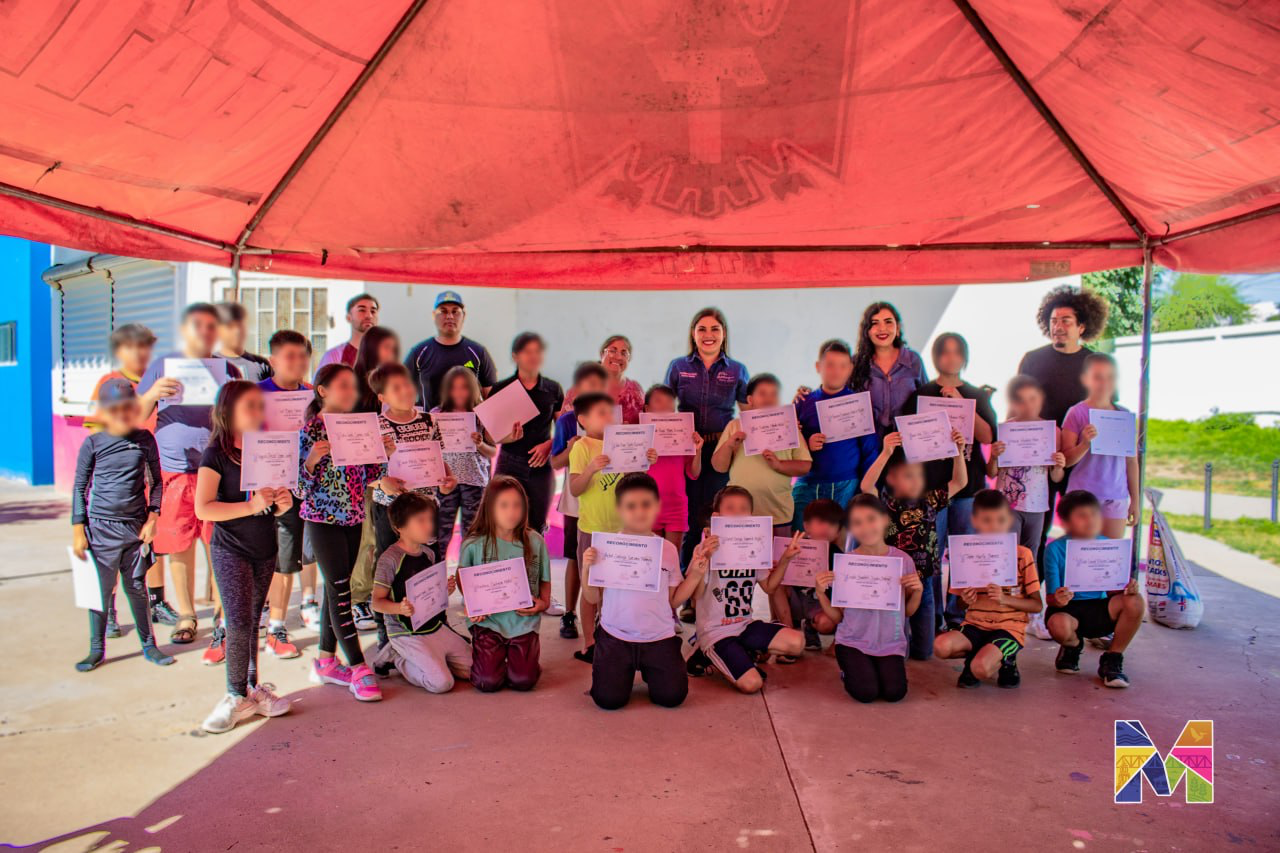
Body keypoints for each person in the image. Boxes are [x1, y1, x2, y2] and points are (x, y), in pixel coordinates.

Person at [137, 304, 242, 650]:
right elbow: (134, 417)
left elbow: (243, 417)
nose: (206, 332)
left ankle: (220, 612)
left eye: (212, 326)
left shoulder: (228, 370)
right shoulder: (163, 367)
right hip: (175, 472)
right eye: (198, 325)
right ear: (185, 330)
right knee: (179, 545)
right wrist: (153, 395)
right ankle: (186, 614)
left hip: (219, 470)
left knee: (218, 545)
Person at [195, 381, 292, 732]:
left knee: (252, 620)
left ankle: (251, 688)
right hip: (229, 549)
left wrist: (283, 504)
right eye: (249, 405)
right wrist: (251, 505)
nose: (257, 411)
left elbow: (279, 503)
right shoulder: (216, 455)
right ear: (227, 410)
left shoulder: (266, 448)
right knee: (235, 622)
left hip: (265, 548)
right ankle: (234, 696)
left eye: (259, 405)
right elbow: (203, 508)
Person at [298, 363, 395, 702]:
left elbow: (369, 475)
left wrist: (384, 454)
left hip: (354, 518)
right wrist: (311, 460)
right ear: (322, 390)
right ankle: (358, 666)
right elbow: (297, 486)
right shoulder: (310, 430)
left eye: (352, 387)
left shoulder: (357, 426)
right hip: (322, 520)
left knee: (335, 588)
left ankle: (325, 661)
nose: (350, 392)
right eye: (342, 386)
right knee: (341, 591)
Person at [70, 378, 174, 671]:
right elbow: (80, 488)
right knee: (100, 592)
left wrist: (153, 519)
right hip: (100, 529)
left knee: (137, 589)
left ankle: (149, 645)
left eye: (128, 407)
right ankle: (96, 649)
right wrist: (79, 529)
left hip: (136, 529)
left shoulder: (144, 440)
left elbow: (156, 483)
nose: (122, 414)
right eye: (114, 409)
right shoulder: (92, 443)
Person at [85, 323, 179, 630]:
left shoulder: (162, 379)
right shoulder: (109, 382)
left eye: (145, 346)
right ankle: (108, 609)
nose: (140, 353)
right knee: (110, 552)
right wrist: (149, 395)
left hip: (153, 474)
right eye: (133, 347)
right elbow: (102, 430)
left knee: (153, 541)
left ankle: (157, 601)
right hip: (117, 486)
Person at [580, 473, 700, 710]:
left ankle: (650, 668)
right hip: (616, 635)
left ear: (657, 506)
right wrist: (586, 569)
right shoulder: (606, 547)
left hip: (658, 636)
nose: (639, 512)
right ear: (619, 509)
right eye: (631, 506)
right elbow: (593, 597)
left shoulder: (667, 549)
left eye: (646, 504)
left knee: (672, 697)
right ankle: (621, 667)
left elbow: (673, 600)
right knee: (607, 700)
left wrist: (696, 573)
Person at [904, 332, 997, 630]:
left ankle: (958, 616)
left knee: (964, 555)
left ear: (964, 357)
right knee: (931, 555)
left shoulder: (976, 394)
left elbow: (988, 437)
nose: (951, 358)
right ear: (936, 357)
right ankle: (934, 617)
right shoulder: (922, 394)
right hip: (932, 488)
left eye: (957, 352)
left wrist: (961, 405)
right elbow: (907, 435)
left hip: (968, 488)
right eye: (944, 352)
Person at [365, 362, 458, 646]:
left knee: (430, 566)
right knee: (391, 569)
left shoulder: (430, 420)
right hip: (390, 509)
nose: (405, 391)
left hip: (426, 507)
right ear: (382, 397)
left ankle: (435, 624)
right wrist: (382, 483)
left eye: (406, 384)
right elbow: (364, 471)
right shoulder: (375, 426)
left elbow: (439, 458)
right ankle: (388, 634)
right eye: (396, 388)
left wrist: (448, 478)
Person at [859, 427, 967, 660]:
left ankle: (921, 649)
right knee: (893, 612)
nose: (915, 479)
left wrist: (959, 452)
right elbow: (866, 486)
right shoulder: (886, 503)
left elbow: (960, 481)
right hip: (892, 573)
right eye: (907, 475)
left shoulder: (930, 500)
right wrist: (886, 452)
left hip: (923, 572)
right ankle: (893, 647)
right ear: (892, 479)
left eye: (917, 475)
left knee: (925, 612)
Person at [1017, 285, 1109, 556]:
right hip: (1040, 457)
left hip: (1083, 458)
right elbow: (1019, 405)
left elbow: (1107, 410)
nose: (1058, 326)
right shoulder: (1033, 360)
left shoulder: (1095, 363)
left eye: (1066, 321)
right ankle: (1036, 588)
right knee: (1037, 527)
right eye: (1054, 320)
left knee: (1081, 528)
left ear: (1082, 326)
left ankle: (1075, 591)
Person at [688, 486, 805, 692]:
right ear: (717, 516)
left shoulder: (753, 548)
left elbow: (769, 587)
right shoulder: (705, 548)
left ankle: (743, 652)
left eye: (743, 509)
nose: (737, 513)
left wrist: (786, 559)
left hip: (744, 625)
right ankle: (703, 652)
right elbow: (695, 597)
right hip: (715, 632)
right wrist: (705, 558)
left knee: (797, 642)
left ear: (751, 515)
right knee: (752, 684)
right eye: (730, 508)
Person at [569, 391, 658, 662]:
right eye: (601, 413)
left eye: (610, 412)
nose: (609, 417)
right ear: (583, 420)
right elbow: (574, 488)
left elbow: (636, 480)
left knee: (615, 587)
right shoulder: (581, 447)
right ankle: (589, 641)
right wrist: (590, 469)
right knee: (590, 588)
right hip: (593, 530)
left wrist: (648, 461)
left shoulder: (622, 443)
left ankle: (610, 636)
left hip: (623, 531)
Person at [663, 308, 749, 574]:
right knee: (687, 518)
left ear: (724, 334)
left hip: (721, 451)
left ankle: (710, 587)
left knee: (714, 517)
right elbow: (663, 406)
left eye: (715, 329)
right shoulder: (678, 366)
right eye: (702, 329)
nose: (708, 335)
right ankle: (686, 590)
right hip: (686, 450)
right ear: (693, 333)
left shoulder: (737, 370)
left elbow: (749, 412)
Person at [813, 495, 920, 703]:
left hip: (889, 643)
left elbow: (907, 611)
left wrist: (917, 591)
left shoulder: (903, 561)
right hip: (853, 641)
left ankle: (872, 667)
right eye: (857, 522)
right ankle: (848, 669)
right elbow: (838, 617)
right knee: (866, 693)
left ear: (885, 519)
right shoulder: (846, 563)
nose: (866, 527)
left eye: (871, 519)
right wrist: (820, 593)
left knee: (894, 693)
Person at [934, 489, 1042, 689]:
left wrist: (1005, 599)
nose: (994, 526)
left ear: (1009, 520)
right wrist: (966, 598)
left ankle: (1007, 660)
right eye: (986, 520)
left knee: (980, 669)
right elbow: (959, 603)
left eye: (1000, 520)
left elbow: (1037, 605)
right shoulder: (966, 553)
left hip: (1009, 628)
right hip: (975, 625)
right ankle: (979, 654)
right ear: (974, 521)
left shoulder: (1022, 555)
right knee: (940, 647)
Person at [369, 493, 473, 694]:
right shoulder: (389, 559)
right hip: (406, 632)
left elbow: (428, 595)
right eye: (420, 521)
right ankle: (397, 658)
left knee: (474, 671)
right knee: (442, 683)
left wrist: (445, 591)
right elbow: (376, 602)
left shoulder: (429, 553)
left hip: (433, 626)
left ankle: (431, 658)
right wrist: (399, 608)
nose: (429, 526)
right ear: (400, 527)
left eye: (429, 520)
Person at [457, 476, 552, 693]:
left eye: (517, 505)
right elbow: (464, 581)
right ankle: (488, 654)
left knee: (523, 681)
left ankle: (522, 659)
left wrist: (543, 604)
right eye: (504, 505)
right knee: (486, 682)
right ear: (490, 508)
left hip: (523, 622)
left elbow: (545, 581)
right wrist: (472, 606)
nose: (511, 512)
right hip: (488, 622)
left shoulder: (535, 541)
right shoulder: (472, 544)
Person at [1044, 490, 1144, 688]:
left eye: (1093, 514)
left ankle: (1113, 659)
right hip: (1069, 610)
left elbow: (1115, 590)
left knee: (1136, 601)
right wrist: (1058, 598)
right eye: (1081, 516)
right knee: (1058, 625)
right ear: (1065, 521)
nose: (1089, 520)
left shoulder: (1110, 546)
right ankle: (1072, 646)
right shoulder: (1055, 549)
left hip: (1100, 607)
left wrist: (1128, 588)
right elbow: (1050, 598)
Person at [259, 329, 319, 651]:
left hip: (303, 486)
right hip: (263, 489)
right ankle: (245, 623)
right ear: (273, 361)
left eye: (303, 356)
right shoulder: (255, 394)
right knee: (263, 558)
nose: (297, 362)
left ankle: (277, 627)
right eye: (289, 356)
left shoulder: (313, 396)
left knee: (290, 558)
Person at [550, 362, 610, 640]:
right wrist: (574, 448)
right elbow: (555, 461)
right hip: (578, 504)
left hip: (606, 505)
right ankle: (570, 614)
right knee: (577, 557)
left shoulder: (613, 422)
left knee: (605, 561)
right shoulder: (566, 420)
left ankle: (606, 621)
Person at [711, 372, 811, 538]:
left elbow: (805, 466)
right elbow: (719, 467)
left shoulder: (789, 426)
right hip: (739, 513)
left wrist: (779, 465)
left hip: (778, 512)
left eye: (774, 394)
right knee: (741, 558)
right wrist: (730, 445)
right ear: (750, 400)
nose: (769, 399)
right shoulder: (735, 426)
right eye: (762, 394)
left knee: (776, 561)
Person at [793, 338, 880, 527]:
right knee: (801, 541)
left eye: (842, 366)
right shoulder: (803, 401)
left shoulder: (859, 404)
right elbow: (789, 445)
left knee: (841, 542)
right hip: (808, 483)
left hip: (846, 484)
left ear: (850, 369)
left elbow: (869, 450)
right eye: (830, 365)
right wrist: (806, 445)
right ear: (818, 367)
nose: (836, 371)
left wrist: (867, 489)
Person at [1060, 353, 1139, 539]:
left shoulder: (1124, 414)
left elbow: (1131, 462)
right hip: (1082, 497)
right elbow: (1065, 459)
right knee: (1081, 555)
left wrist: (1135, 499)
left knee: (1110, 556)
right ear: (1086, 379)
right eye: (1098, 377)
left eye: (1110, 377)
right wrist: (1085, 444)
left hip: (1116, 496)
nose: (1104, 383)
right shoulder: (1076, 413)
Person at [988, 375, 1066, 563]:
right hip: (1007, 505)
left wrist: (1058, 464)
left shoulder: (1052, 431)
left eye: (1032, 398)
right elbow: (991, 472)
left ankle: (1027, 592)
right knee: (1007, 553)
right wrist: (994, 456)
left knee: (1029, 555)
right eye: (1021, 400)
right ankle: (1007, 592)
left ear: (1040, 399)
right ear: (1014, 403)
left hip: (1036, 505)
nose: (1028, 405)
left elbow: (1056, 478)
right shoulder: (1005, 429)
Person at [492, 332, 564, 534]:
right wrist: (509, 437)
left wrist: (548, 446)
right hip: (509, 462)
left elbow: (563, 429)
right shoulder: (501, 388)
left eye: (537, 351)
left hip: (541, 466)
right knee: (503, 525)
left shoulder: (552, 389)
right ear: (515, 356)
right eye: (527, 351)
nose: (533, 356)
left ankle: (533, 566)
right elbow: (492, 435)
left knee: (536, 526)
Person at [432, 366, 496, 560]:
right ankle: (438, 579)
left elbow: (492, 451)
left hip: (475, 482)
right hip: (445, 482)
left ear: (473, 389)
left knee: (472, 536)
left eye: (464, 387)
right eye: (453, 387)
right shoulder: (436, 414)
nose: (459, 392)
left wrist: (480, 444)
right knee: (440, 535)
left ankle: (469, 581)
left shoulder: (482, 414)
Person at [772, 498, 844, 656]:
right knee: (776, 584)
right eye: (820, 522)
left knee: (825, 623)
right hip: (796, 600)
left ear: (838, 531)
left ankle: (810, 627)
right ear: (806, 525)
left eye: (832, 524)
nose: (826, 527)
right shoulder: (794, 547)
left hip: (821, 605)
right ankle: (787, 631)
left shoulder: (838, 556)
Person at [405, 290, 498, 411]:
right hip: (430, 426)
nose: (450, 316)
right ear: (433, 315)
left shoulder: (478, 352)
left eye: (455, 311)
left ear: (464, 316)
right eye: (443, 311)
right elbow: (401, 394)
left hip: (470, 428)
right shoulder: (419, 353)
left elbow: (491, 399)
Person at [640, 383, 702, 551]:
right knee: (651, 559)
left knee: (672, 560)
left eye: (670, 401)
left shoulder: (683, 434)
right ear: (647, 408)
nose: (665, 405)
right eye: (659, 401)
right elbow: (630, 475)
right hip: (647, 506)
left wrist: (698, 450)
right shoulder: (639, 435)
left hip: (676, 505)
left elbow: (693, 473)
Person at [850, 302, 928, 434]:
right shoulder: (855, 363)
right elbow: (837, 394)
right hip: (868, 446)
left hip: (906, 443)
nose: (882, 328)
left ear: (898, 328)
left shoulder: (914, 361)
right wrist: (806, 395)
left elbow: (926, 401)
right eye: (874, 323)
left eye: (888, 322)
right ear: (867, 331)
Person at [564, 335, 645, 423]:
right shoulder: (582, 388)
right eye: (612, 351)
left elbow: (645, 423)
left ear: (629, 359)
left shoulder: (636, 390)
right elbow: (565, 426)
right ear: (602, 354)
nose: (618, 357)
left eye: (624, 353)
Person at [317, 293, 379, 370]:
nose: (369, 315)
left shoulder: (386, 356)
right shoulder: (334, 356)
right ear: (349, 317)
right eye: (362, 310)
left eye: (373, 311)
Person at [214, 302, 273, 383]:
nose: (237, 331)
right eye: (230, 327)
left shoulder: (261, 364)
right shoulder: (211, 364)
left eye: (240, 326)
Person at [353, 325, 401, 413]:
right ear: (371, 348)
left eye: (393, 349)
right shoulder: (352, 382)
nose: (391, 354)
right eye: (386, 347)